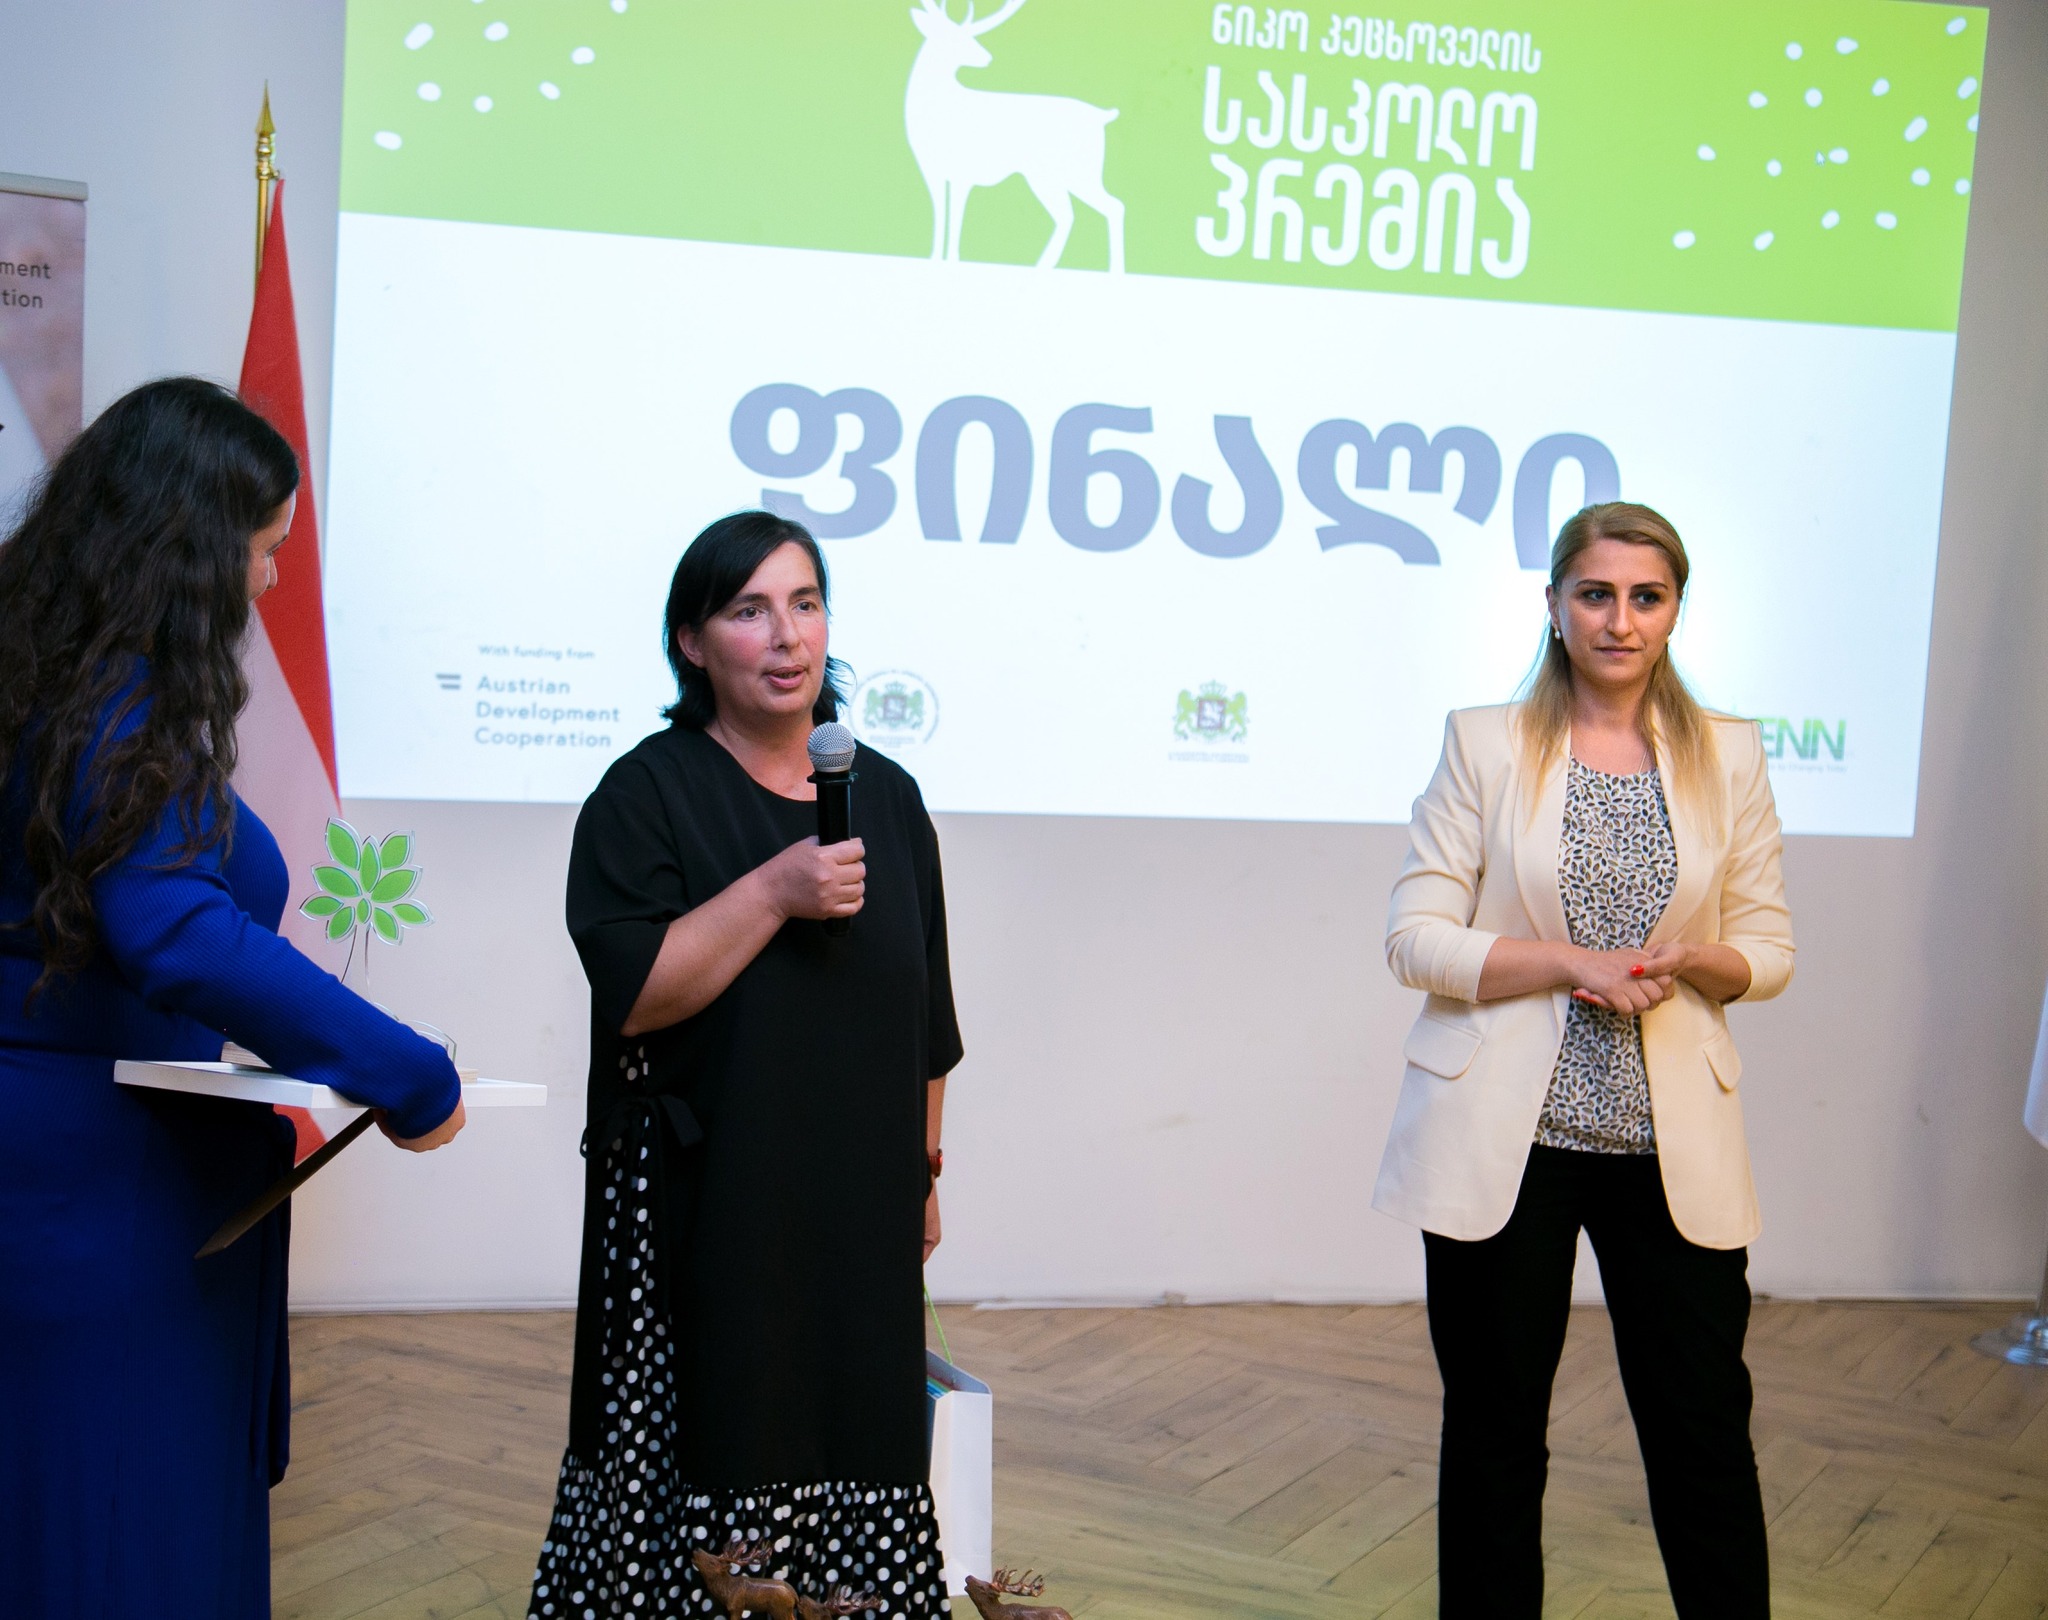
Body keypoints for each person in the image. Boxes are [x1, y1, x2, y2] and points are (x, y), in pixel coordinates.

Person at [0, 377, 466, 1619]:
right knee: (114, 1539)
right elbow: (182, 937)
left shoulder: (34, 669)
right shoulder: (115, 701)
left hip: (48, 1179)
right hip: (100, 1197)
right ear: (188, 549)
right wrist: (410, 1072)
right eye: (261, 550)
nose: (267, 582)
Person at [531, 510, 962, 1620]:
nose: (786, 636)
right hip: (705, 1205)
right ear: (691, 641)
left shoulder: (888, 797)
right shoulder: (644, 795)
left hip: (857, 1204)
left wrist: (922, 1171)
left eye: (805, 604)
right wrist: (775, 888)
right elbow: (637, 993)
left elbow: (928, 1024)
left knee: (859, 1440)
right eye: (749, 610)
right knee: (722, 1444)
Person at [1375, 502, 1795, 1618]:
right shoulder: (1483, 742)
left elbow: (1769, 948)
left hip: (1667, 1147)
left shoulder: (1729, 754)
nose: (1619, 620)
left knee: (1703, 1432)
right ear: (1554, 605)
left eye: (1645, 597)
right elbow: (1413, 939)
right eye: (1595, 594)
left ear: (1674, 611)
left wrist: (1701, 960)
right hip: (1508, 1145)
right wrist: (1570, 963)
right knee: (1495, 1434)